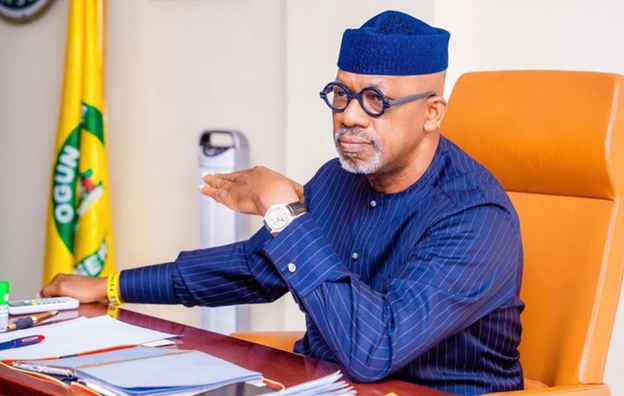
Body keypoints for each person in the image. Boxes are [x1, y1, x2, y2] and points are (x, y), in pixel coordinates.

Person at [41, 10, 524, 396]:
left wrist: (283, 210)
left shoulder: (475, 217)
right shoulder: (339, 180)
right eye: (341, 93)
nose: (349, 116)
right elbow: (254, 269)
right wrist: (110, 286)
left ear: (431, 114)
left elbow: (373, 352)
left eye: (376, 100)